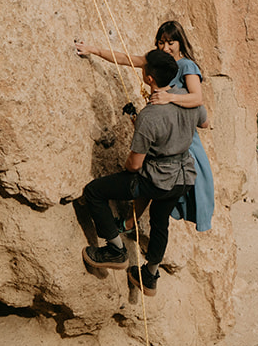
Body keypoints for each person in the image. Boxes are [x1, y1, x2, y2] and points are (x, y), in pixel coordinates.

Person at [72, 49, 205, 297]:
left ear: (150, 79)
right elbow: (204, 121)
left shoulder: (150, 115)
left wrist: (143, 134)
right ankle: (150, 275)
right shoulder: (188, 99)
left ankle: (115, 250)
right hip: (184, 177)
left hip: (158, 179)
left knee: (94, 192)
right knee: (160, 222)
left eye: (144, 67)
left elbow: (133, 166)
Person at [76, 21, 214, 233]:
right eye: (161, 42)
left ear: (180, 42)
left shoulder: (187, 66)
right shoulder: (157, 61)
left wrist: (169, 97)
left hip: (181, 137)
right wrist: (92, 50)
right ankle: (129, 224)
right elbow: (125, 59)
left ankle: (129, 225)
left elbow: (197, 98)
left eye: (170, 42)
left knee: (156, 180)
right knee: (152, 178)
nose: (165, 47)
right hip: (162, 131)